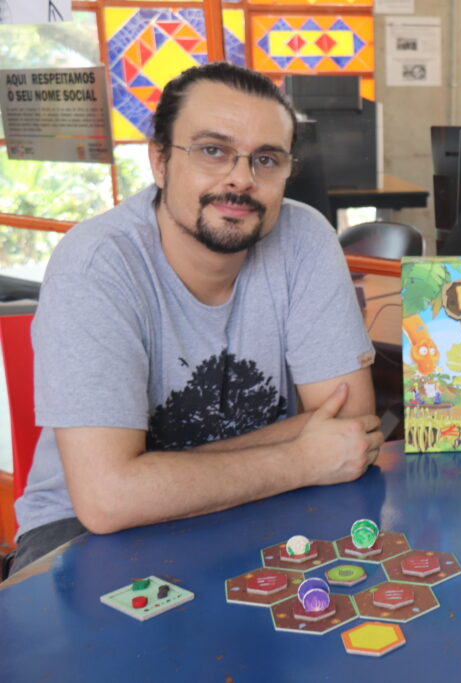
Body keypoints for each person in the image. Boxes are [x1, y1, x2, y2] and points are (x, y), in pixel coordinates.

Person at [8, 62, 383, 576]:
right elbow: (107, 500)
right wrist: (301, 457)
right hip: (79, 537)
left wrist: (155, 477)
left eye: (267, 160)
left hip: (262, 505)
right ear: (159, 161)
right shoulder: (98, 262)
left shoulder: (303, 236)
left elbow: (350, 428)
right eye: (212, 151)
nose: (241, 179)